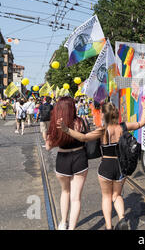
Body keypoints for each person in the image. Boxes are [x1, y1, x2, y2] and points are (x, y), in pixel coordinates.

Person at [57, 97, 145, 230]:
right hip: (121, 166)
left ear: (103, 115)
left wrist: (66, 130)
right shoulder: (123, 127)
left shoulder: (102, 130)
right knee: (117, 195)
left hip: (105, 167)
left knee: (106, 197)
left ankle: (108, 226)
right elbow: (141, 123)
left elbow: (83, 137)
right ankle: (122, 218)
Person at [46, 97, 89, 230]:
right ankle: (71, 228)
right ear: (73, 108)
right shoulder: (81, 122)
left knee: (65, 192)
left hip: (63, 159)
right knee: (76, 198)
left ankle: (63, 222)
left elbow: (48, 146)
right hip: (80, 158)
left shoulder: (55, 124)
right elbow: (86, 139)